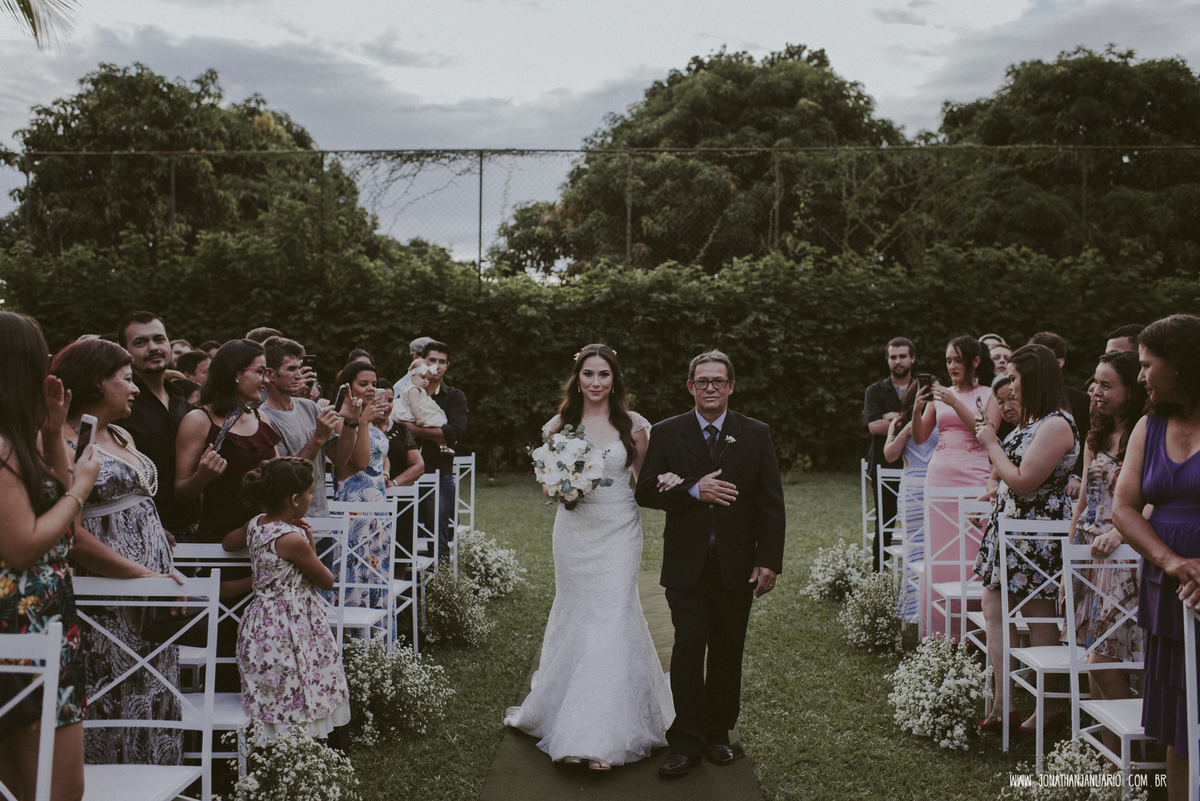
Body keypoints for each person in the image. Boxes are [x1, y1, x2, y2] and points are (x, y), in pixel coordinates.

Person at [506, 344, 674, 770]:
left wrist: (672, 477)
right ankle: (566, 713)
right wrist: (564, 485)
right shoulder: (559, 425)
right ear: (576, 379)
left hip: (619, 529)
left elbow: (646, 481)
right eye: (588, 374)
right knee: (578, 614)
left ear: (614, 379)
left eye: (603, 375)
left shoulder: (631, 424)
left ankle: (599, 736)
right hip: (574, 531)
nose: (596, 382)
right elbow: (547, 485)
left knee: (614, 614)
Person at [635, 349, 785, 778]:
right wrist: (689, 490)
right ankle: (685, 741)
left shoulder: (755, 433)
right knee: (688, 645)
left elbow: (771, 504)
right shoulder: (667, 432)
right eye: (703, 381)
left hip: (736, 563)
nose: (711, 388)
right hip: (686, 562)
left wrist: (768, 560)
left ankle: (718, 733)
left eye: (719, 381)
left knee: (726, 649)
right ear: (690, 387)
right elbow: (645, 490)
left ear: (731, 386)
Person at [51, 338, 187, 765]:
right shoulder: (64, 440)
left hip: (155, 586)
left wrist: (154, 531)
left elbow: (129, 503)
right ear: (96, 382)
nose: (134, 388)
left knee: (155, 687)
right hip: (110, 590)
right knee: (115, 687)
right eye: (126, 380)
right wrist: (141, 575)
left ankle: (159, 780)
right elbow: (72, 531)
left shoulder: (123, 433)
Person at [0, 312, 100, 801]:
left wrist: (54, 438)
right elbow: (22, 546)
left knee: (31, 789)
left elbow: (69, 528)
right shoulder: (1, 448)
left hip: (45, 622)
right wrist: (81, 487)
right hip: (21, 629)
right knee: (60, 792)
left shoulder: (21, 442)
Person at [1112, 314, 1200, 800]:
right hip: (1169, 589)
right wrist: (1171, 561)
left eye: (1147, 365)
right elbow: (1122, 508)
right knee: (1178, 719)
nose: (1140, 375)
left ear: (1182, 366)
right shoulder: (1149, 425)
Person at [972, 344, 1079, 733]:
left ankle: (1049, 706)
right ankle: (1004, 703)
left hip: (1036, 535)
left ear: (1033, 378)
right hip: (1009, 529)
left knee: (1037, 616)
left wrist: (990, 444)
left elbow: (1022, 482)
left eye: (1015, 378)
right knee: (993, 608)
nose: (1011, 388)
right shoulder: (1033, 420)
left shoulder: (1056, 423)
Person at [236, 457, 351, 744]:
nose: (311, 498)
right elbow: (326, 580)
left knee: (282, 684)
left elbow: (228, 542)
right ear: (295, 500)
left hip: (262, 621)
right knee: (304, 677)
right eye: (310, 494)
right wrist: (309, 538)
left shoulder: (255, 524)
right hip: (294, 621)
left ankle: (275, 742)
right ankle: (307, 741)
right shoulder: (292, 539)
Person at [1066, 350, 1147, 757]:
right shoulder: (1096, 435)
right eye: (1095, 383)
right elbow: (1081, 504)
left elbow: (1152, 501)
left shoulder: (1146, 434)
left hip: (1123, 558)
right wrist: (1068, 561)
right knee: (1090, 664)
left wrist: (1119, 532)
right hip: (1087, 556)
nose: (1096, 392)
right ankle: (1108, 758)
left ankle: (1124, 765)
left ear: (1131, 390)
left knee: (1104, 660)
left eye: (1107, 384)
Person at [912, 335, 998, 638]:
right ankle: (938, 633)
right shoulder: (941, 394)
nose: (951, 367)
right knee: (939, 553)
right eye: (948, 361)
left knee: (972, 551)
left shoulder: (989, 393)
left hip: (974, 476)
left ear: (974, 361)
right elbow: (921, 437)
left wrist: (953, 403)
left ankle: (974, 635)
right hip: (939, 476)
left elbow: (984, 434)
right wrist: (916, 408)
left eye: (957, 360)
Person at [175, 339, 282, 546]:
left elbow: (276, 479)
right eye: (260, 372)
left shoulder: (261, 418)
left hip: (263, 538)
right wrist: (202, 476)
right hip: (221, 541)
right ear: (235, 373)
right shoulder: (198, 420)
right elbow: (181, 493)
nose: (266, 381)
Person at [117, 311, 199, 542]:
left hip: (190, 535)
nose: (153, 347)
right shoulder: (119, 404)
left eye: (159, 339)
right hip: (140, 535)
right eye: (141, 342)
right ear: (125, 352)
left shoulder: (181, 400)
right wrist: (146, 524)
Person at [259, 336, 348, 518]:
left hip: (322, 517)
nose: (299, 375)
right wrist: (317, 438)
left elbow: (340, 459)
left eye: (299, 367)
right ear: (270, 374)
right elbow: (285, 478)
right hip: (290, 522)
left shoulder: (310, 407)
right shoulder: (263, 417)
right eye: (292, 369)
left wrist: (352, 423)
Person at [331, 360, 390, 610]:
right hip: (353, 506)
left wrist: (386, 476)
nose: (370, 389)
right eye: (363, 383)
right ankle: (353, 641)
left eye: (374, 384)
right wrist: (362, 422)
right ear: (348, 388)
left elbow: (381, 459)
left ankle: (377, 640)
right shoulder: (341, 420)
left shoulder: (372, 420)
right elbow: (361, 462)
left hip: (377, 504)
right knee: (355, 572)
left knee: (377, 569)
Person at [402, 342, 467, 562]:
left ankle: (440, 589)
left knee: (437, 536)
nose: (437, 366)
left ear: (447, 366)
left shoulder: (454, 396)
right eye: (432, 361)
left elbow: (453, 432)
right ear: (421, 361)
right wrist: (434, 431)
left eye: (442, 362)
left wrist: (412, 429)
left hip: (437, 472)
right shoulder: (406, 390)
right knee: (403, 533)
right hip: (403, 473)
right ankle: (408, 588)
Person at [883, 380, 937, 623]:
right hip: (912, 489)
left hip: (937, 487)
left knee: (937, 549)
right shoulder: (900, 420)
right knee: (914, 549)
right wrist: (906, 428)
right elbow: (890, 455)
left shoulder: (942, 419)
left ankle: (933, 612)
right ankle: (912, 612)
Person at [863, 337, 914, 572]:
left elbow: (931, 426)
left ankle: (916, 575)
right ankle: (879, 577)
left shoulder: (922, 389)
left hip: (917, 465)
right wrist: (909, 422)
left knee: (919, 522)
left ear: (912, 358)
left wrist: (891, 419)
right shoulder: (875, 390)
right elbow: (873, 427)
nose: (898, 361)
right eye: (893, 357)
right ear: (888, 360)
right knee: (885, 523)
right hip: (883, 465)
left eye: (902, 356)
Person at [1028, 332, 1090, 499]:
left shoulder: (1081, 400)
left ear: (1060, 362)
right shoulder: (1022, 398)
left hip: (1066, 486)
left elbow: (1086, 439)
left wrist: (1077, 476)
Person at [391, 359, 447, 432]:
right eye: (423, 377)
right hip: (414, 412)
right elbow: (413, 404)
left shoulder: (408, 385)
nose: (425, 381)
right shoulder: (414, 389)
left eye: (428, 379)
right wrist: (419, 418)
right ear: (413, 376)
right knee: (432, 417)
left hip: (407, 407)